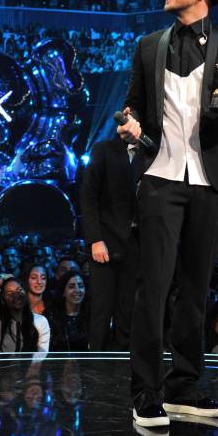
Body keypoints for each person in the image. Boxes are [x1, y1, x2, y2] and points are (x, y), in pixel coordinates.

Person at [117, 0, 218, 427]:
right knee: (153, 287)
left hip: (211, 180)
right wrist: (131, 126)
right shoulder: (148, 45)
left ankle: (183, 387)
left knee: (196, 289)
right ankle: (146, 392)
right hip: (159, 174)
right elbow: (133, 106)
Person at [80, 138, 139, 351]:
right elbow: (89, 195)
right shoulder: (104, 149)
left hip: (137, 242)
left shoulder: (151, 149)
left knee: (129, 310)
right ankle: (96, 366)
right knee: (102, 310)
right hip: (106, 240)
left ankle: (125, 370)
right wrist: (95, 239)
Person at [0, 277, 50, 353]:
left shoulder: (40, 321)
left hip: (30, 365)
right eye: (10, 293)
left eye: (19, 290)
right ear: (3, 299)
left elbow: (41, 355)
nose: (16, 295)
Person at [45, 270, 90, 352]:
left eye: (80, 286)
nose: (77, 290)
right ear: (63, 292)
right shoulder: (52, 317)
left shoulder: (92, 316)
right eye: (71, 286)